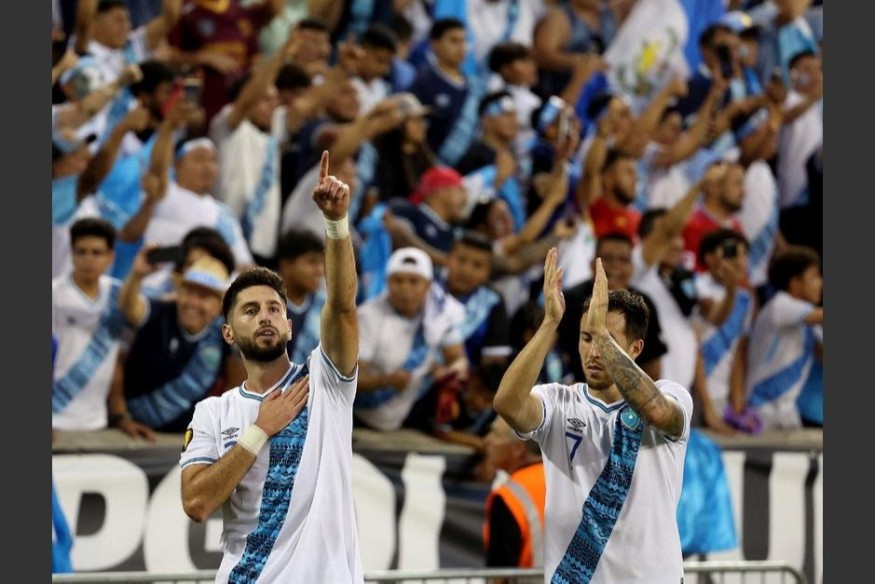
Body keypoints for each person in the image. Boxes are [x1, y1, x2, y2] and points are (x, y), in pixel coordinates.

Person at [180, 151, 363, 583]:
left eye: (274, 308)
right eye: (250, 310)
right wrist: (258, 431)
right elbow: (196, 503)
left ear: (288, 324)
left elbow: (342, 307)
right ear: (228, 333)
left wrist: (336, 223)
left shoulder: (326, 382)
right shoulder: (213, 413)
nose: (264, 316)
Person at [493, 248, 693, 583]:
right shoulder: (559, 402)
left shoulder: (673, 396)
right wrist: (550, 323)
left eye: (608, 339)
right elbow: (507, 404)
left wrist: (600, 332)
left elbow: (656, 411)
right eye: (586, 338)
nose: (594, 351)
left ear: (636, 349)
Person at [482, 416, 546, 583]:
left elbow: (499, 574)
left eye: (495, 434)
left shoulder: (509, 497)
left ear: (518, 449)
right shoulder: (564, 480)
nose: (487, 440)